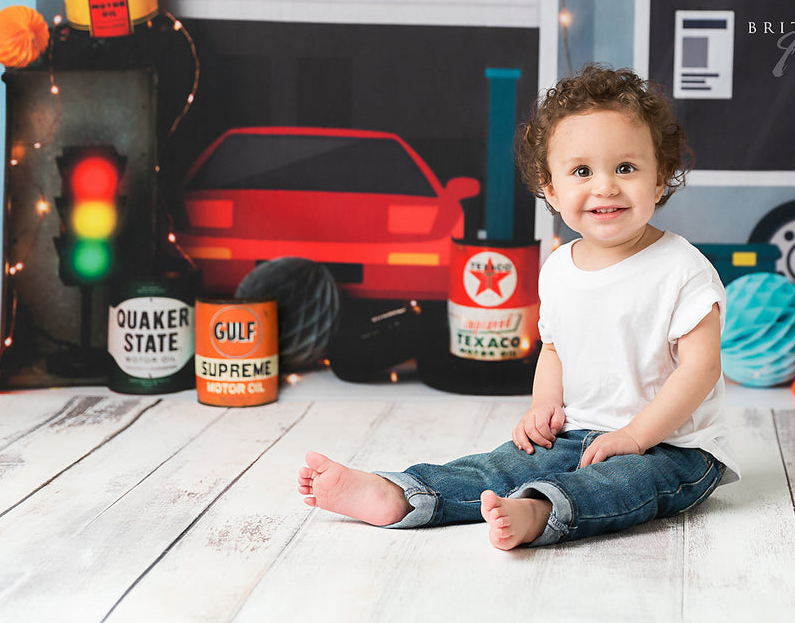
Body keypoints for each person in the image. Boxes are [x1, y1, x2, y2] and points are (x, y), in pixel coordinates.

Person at [297, 64, 737, 549]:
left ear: (659, 180)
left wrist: (635, 437)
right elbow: (553, 349)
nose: (606, 187)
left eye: (626, 168)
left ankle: (541, 510)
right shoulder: (559, 267)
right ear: (551, 189)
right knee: (501, 464)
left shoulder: (682, 268)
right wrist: (543, 406)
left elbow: (700, 368)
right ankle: (402, 493)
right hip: (578, 433)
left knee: (624, 483)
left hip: (674, 447)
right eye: (582, 171)